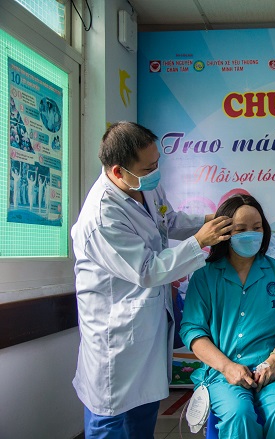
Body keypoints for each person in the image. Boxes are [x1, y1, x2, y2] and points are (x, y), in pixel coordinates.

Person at [70, 121, 231, 439]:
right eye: (149, 166)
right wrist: (199, 241)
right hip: (115, 336)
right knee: (111, 419)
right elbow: (146, 270)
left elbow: (167, 220)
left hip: (147, 323)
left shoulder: (143, 183)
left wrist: (208, 220)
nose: (156, 170)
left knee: (144, 412)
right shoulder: (102, 217)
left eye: (157, 162)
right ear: (118, 172)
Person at [180, 194, 275, 439]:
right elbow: (193, 332)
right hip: (222, 374)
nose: (251, 234)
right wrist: (227, 367)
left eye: (257, 227)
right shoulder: (205, 276)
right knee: (239, 414)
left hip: (271, 370)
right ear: (225, 231)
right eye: (240, 229)